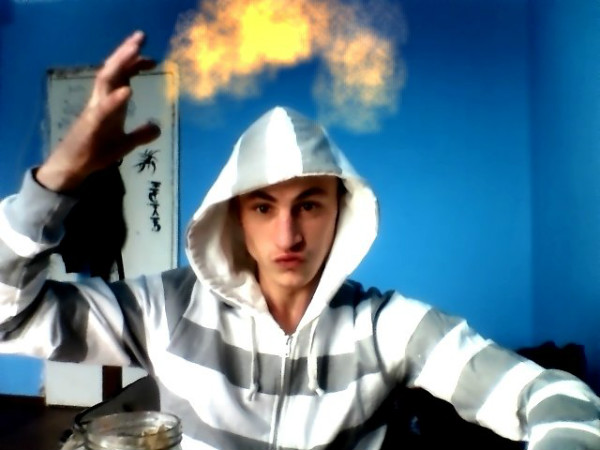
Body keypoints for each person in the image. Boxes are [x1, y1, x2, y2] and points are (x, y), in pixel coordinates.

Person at [0, 31, 599, 450]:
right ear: (235, 218)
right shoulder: (166, 308)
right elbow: (9, 320)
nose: (287, 234)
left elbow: (553, 396)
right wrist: (55, 182)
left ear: (341, 213)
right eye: (264, 207)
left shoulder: (385, 327)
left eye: (309, 205)